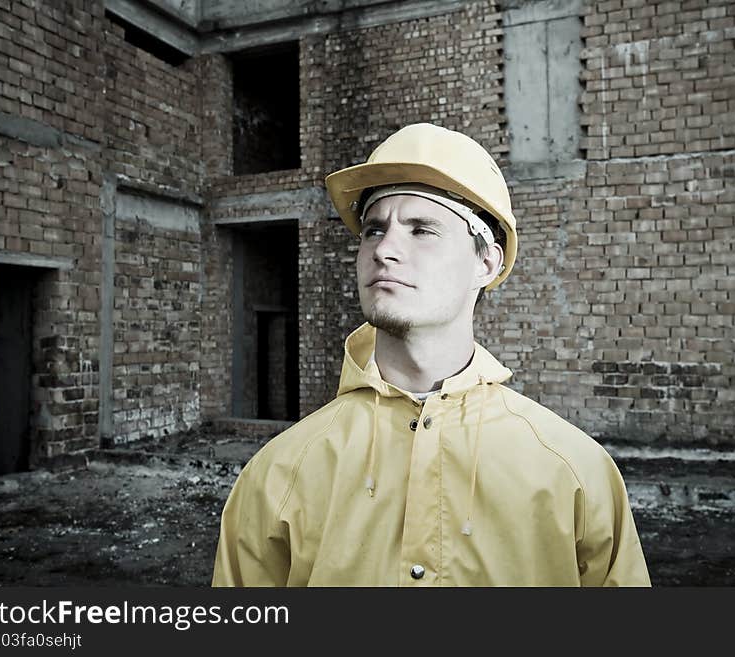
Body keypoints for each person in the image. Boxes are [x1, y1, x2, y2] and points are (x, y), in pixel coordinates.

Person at [211, 123, 650, 586]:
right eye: (373, 230)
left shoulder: (574, 470)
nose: (385, 249)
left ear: (486, 262)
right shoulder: (279, 473)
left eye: (422, 229)